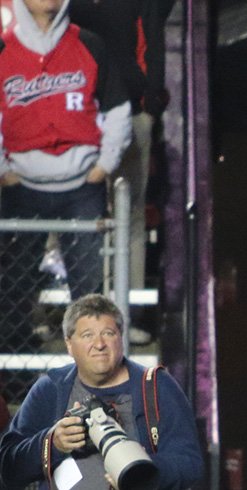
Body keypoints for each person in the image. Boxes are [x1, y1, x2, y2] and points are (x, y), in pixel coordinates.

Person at [0, 0, 131, 347]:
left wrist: (104, 165)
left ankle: (92, 371)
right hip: (22, 187)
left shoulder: (89, 43)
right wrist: (3, 170)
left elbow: (118, 108)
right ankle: (16, 366)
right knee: (15, 281)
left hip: (81, 188)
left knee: (88, 287)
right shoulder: (3, 49)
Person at [0, 294, 202, 489]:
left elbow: (190, 463)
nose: (99, 344)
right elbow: (8, 469)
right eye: (87, 335)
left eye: (108, 333)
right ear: (69, 344)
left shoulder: (155, 385)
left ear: (120, 338)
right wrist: (52, 444)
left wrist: (144, 471)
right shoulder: (51, 389)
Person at [68, 0, 175, 345]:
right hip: (76, 114)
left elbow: (152, 44)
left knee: (130, 217)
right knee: (68, 216)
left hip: (130, 113)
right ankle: (69, 318)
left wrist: (149, 103)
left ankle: (128, 315)